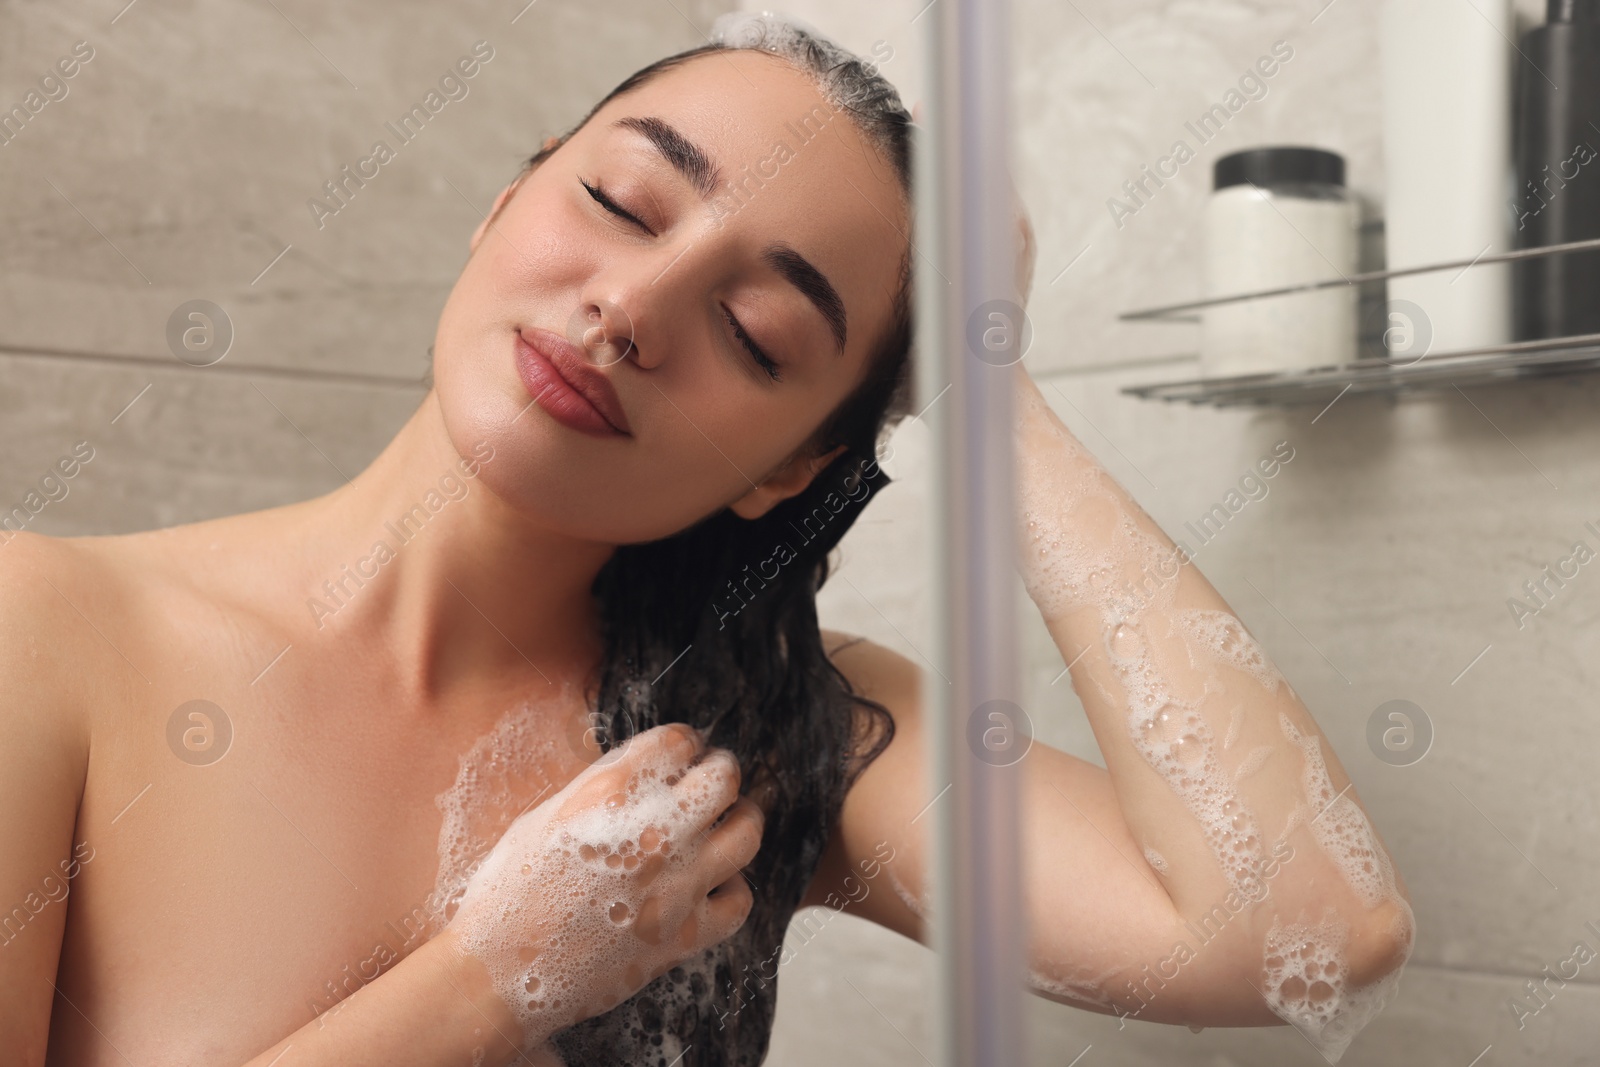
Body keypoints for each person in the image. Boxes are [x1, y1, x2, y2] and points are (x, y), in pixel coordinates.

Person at [0, 13, 1413, 1067]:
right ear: (504, 203)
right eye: (620, 202)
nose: (632, 307)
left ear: (793, 466)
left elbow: (1303, 929)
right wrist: (489, 987)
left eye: (759, 331)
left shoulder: (761, 739)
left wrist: (990, 390)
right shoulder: (46, 632)